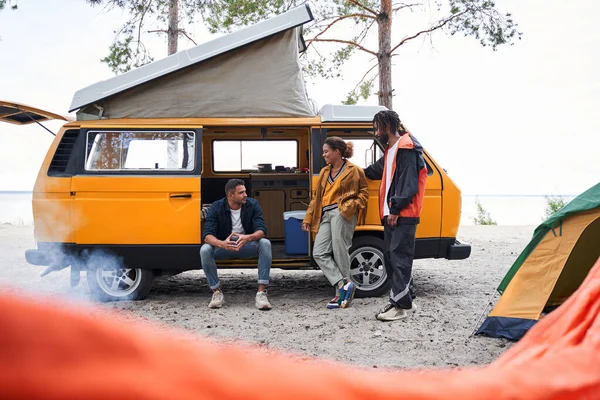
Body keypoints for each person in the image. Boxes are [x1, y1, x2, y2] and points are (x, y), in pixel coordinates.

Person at [364, 110, 427, 321]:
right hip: (391, 213)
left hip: (401, 214)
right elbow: (374, 171)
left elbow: (408, 183)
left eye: (377, 127)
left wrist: (395, 209)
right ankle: (407, 299)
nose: (376, 132)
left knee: (399, 258)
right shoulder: (392, 149)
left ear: (387, 126)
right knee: (392, 257)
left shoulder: (406, 148)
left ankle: (399, 306)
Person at [302, 136, 369, 309]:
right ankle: (343, 284)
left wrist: (351, 205)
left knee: (340, 250)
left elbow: (364, 193)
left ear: (337, 152)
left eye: (326, 151)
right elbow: (316, 198)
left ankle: (341, 296)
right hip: (325, 214)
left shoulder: (354, 170)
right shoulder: (325, 171)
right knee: (319, 252)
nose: (324, 155)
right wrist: (308, 217)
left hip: (342, 212)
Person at [200, 178, 272, 310]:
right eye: (241, 193)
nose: (245, 195)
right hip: (224, 246)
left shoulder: (252, 204)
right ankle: (217, 292)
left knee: (265, 243)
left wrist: (247, 238)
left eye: (245, 192)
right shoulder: (217, 206)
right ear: (230, 195)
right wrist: (222, 244)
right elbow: (207, 235)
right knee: (205, 250)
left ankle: (261, 293)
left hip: (246, 244)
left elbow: (262, 230)